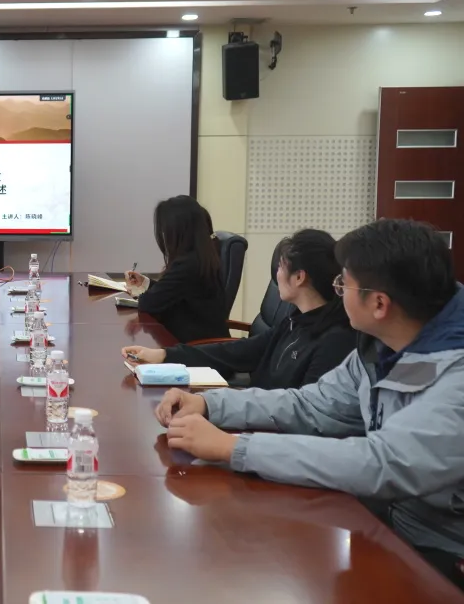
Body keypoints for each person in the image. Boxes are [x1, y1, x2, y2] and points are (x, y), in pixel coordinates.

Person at [156, 219, 464, 589]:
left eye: (343, 284)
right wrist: (211, 405)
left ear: (379, 303)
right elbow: (312, 405)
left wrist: (234, 448)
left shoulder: (456, 378)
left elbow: (382, 463)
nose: (337, 293)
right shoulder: (378, 347)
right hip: (380, 525)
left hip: (441, 554)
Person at [122, 229, 355, 389]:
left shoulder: (334, 341)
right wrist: (165, 355)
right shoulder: (295, 322)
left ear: (299, 277)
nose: (277, 275)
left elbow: (302, 414)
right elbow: (241, 350)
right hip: (252, 417)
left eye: (281, 267)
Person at [124, 195, 229, 343]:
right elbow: (172, 291)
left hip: (197, 346)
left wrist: (141, 293)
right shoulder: (200, 256)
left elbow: (148, 303)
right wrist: (145, 282)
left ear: (178, 230)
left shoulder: (188, 264)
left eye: (166, 231)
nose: (165, 236)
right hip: (196, 339)